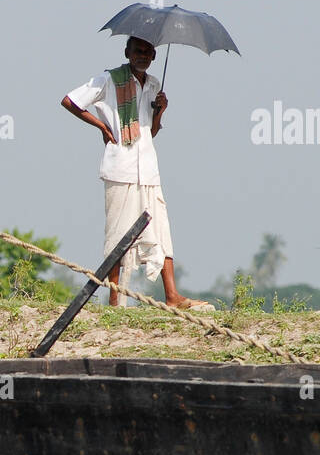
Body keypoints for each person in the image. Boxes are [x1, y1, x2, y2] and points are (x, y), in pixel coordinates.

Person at [60, 36, 210, 309]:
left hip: (149, 169)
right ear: (127, 52)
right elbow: (70, 101)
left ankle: (173, 296)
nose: (142, 55)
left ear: (153, 56)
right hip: (120, 167)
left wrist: (160, 112)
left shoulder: (153, 85)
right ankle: (116, 300)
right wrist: (103, 127)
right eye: (137, 51)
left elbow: (149, 133)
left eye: (147, 52)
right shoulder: (109, 79)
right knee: (118, 235)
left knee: (161, 230)